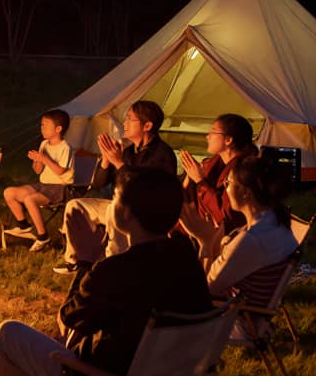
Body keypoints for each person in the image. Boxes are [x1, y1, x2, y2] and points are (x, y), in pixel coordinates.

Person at [0, 167, 211, 376]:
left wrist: (86, 263)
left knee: (7, 334)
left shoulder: (115, 271)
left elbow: (69, 320)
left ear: (126, 214)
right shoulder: (185, 257)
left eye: (115, 198)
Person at [54, 100, 176, 276]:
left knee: (114, 210)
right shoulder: (128, 151)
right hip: (119, 204)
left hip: (144, 213)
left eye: (130, 119)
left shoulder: (162, 154)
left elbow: (146, 190)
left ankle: (112, 265)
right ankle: (77, 260)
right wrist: (105, 158)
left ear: (147, 125)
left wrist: (119, 163)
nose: (124, 123)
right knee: (76, 206)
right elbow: (99, 184)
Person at [205, 156, 297, 322]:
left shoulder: (251, 240)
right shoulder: (277, 223)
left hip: (235, 318)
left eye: (228, 183)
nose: (225, 189)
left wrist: (205, 242)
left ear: (246, 192)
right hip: (248, 310)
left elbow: (206, 289)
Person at [177, 113, 258, 249]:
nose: (207, 137)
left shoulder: (242, 171)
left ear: (228, 140)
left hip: (223, 238)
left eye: (213, 132)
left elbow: (225, 215)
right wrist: (190, 179)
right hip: (198, 230)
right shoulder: (215, 163)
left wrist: (200, 180)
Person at [3, 109, 74, 252]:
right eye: (41, 125)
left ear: (58, 129)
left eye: (45, 125)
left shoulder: (65, 147)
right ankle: (23, 225)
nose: (42, 128)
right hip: (43, 184)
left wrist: (45, 159)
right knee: (9, 192)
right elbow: (38, 171)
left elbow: (61, 171)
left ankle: (43, 237)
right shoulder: (44, 144)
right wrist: (37, 161)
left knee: (30, 200)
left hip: (59, 187)